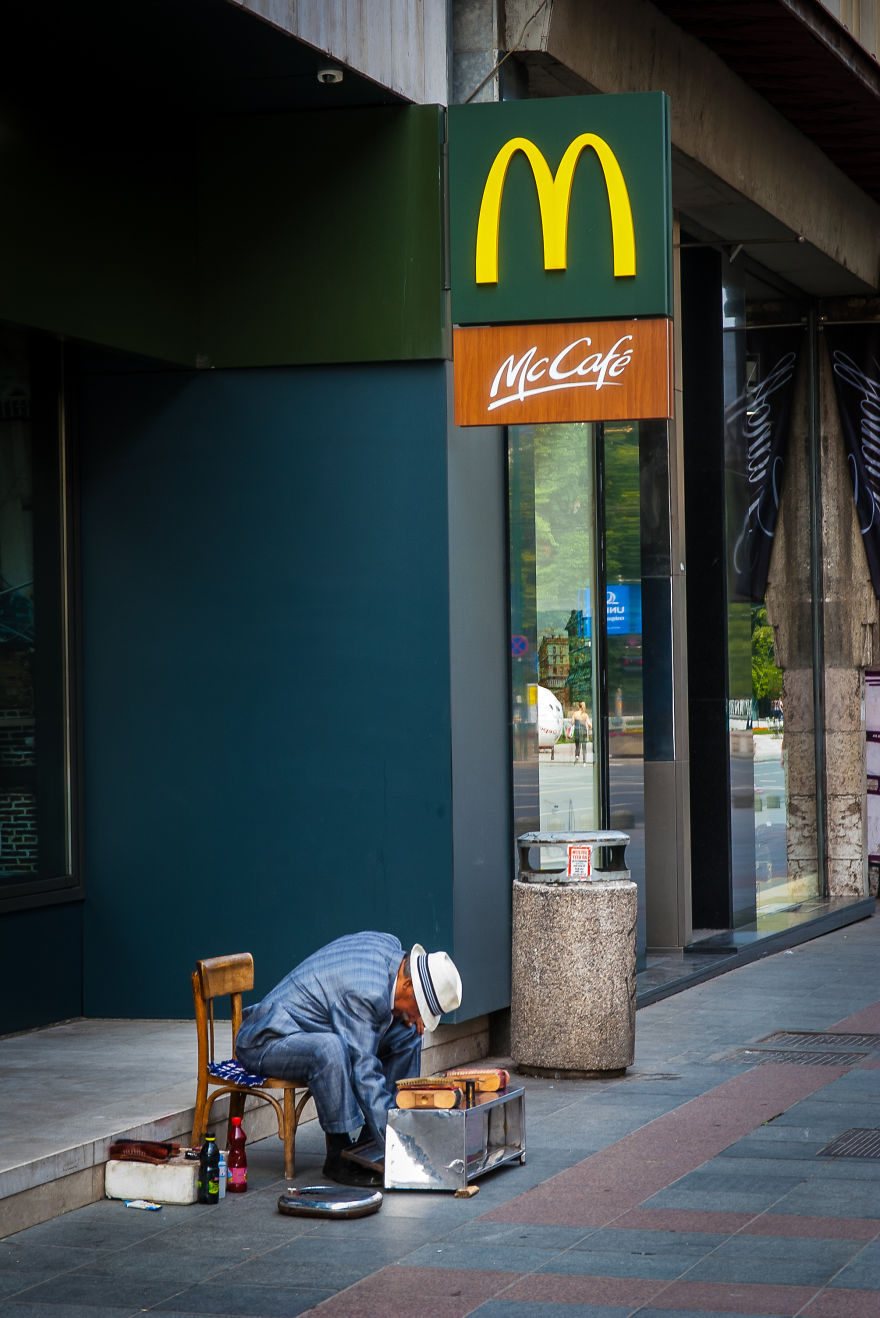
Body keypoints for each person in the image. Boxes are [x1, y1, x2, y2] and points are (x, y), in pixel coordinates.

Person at [234, 931, 462, 1187]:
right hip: (266, 1038)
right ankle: (340, 1154)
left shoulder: (392, 949)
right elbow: (364, 1071)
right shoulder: (365, 992)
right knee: (330, 1049)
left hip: (307, 1029)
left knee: (407, 1034)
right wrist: (404, 1148)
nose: (418, 1015)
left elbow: (387, 1015)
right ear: (408, 986)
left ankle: (373, 1139)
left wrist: (410, 1011)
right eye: (420, 1008)